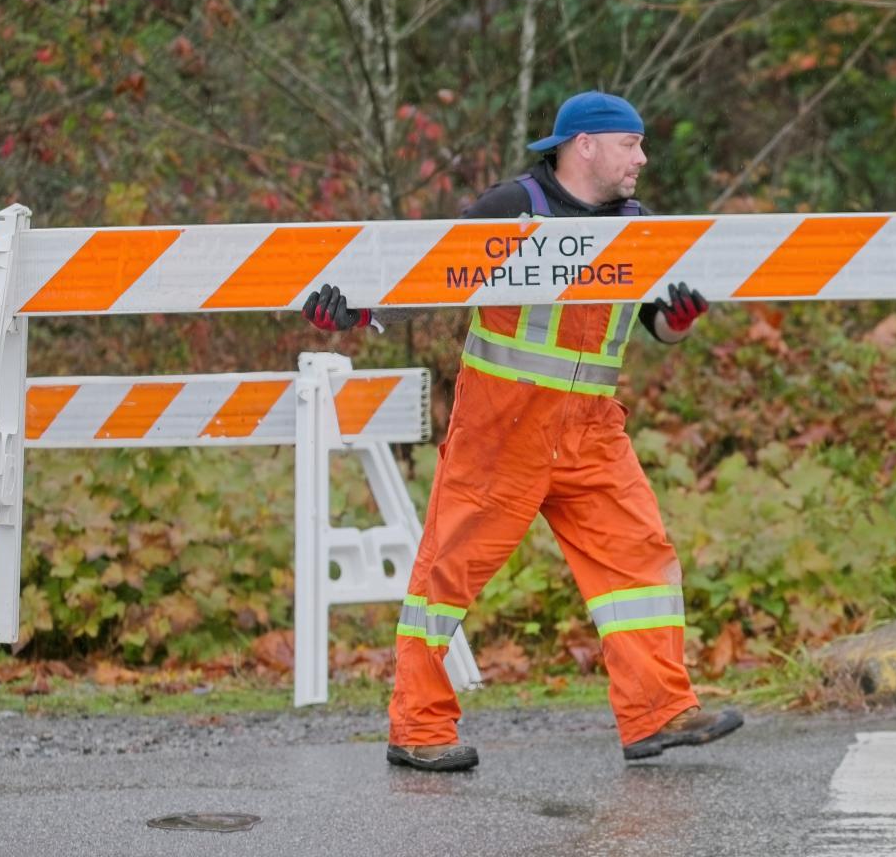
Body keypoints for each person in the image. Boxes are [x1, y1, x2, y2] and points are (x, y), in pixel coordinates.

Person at [303, 91, 741, 770]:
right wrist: (355, 311)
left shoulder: (637, 225)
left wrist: (680, 315)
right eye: (631, 144)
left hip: (592, 428)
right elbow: (431, 277)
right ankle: (418, 729)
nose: (643, 158)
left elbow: (657, 326)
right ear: (585, 145)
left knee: (639, 562)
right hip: (502, 428)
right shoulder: (513, 207)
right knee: (446, 575)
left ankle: (658, 710)